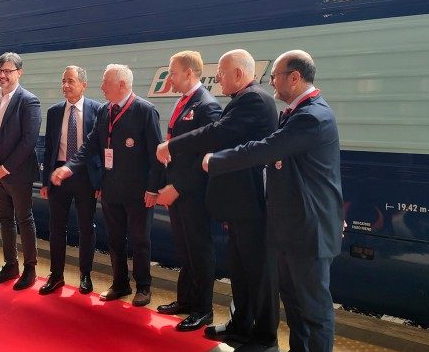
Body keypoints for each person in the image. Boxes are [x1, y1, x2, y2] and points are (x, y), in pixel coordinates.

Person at [203, 50, 344, 352]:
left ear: (294, 77)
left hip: (309, 231)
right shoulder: (295, 113)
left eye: (275, 76)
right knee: (294, 307)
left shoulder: (311, 116)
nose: (271, 82)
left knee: (314, 312)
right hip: (293, 228)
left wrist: (216, 160)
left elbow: (267, 149)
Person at [157, 49, 279, 348]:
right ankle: (239, 326)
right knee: (240, 270)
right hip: (239, 204)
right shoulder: (241, 99)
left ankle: (263, 338)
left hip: (251, 203)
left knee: (258, 274)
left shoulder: (255, 99)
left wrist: (173, 145)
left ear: (238, 73)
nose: (218, 78)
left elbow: (217, 132)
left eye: (222, 73)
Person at [51, 64, 163, 307]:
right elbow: (90, 145)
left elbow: (157, 155)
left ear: (121, 85)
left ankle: (143, 286)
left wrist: (153, 189)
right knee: (114, 239)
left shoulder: (145, 111)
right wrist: (68, 167)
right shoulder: (105, 111)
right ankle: (120, 283)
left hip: (138, 192)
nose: (101, 87)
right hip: (111, 189)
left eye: (105, 83)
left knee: (140, 239)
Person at [154, 51, 221, 331]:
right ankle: (185, 300)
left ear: (189, 73)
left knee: (200, 251)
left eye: (173, 72)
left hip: (193, 194)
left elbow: (205, 158)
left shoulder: (207, 106)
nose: (169, 78)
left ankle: (203, 310)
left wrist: (177, 187)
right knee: (185, 249)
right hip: (177, 191)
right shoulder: (183, 102)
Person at [0, 52, 41, 291]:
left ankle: (30, 269)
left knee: (24, 219)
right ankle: (10, 265)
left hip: (18, 173)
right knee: (4, 219)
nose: (2, 75)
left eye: (8, 71)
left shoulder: (29, 101)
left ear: (19, 73)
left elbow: (29, 140)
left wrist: (5, 168)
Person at [38, 66, 102, 295]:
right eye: (63, 81)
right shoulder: (55, 112)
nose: (65, 85)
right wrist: (45, 181)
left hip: (86, 177)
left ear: (83, 85)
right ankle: (56, 276)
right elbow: (48, 149)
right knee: (56, 227)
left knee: (86, 227)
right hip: (58, 176)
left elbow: (101, 148)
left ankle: (85, 275)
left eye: (70, 81)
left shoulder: (97, 109)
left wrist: (100, 182)